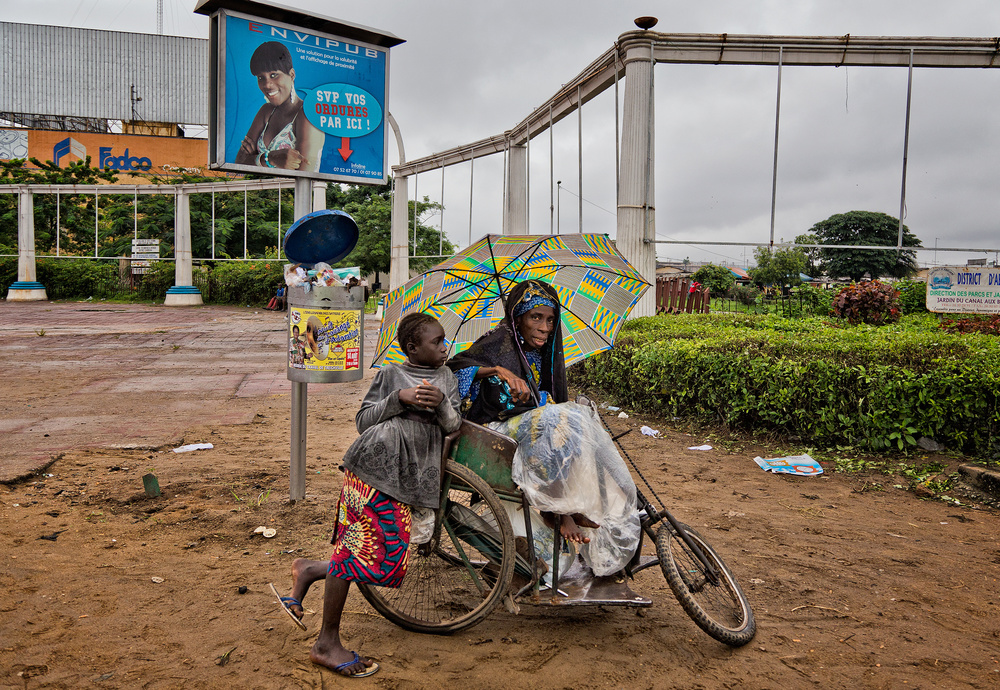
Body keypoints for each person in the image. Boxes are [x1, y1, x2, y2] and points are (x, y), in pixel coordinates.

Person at [270, 312, 461, 677]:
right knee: (358, 550)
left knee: (381, 555)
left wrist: (442, 403)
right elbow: (364, 420)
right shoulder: (391, 375)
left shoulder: (447, 378)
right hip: (373, 465)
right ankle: (326, 643)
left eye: (443, 341)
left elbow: (453, 426)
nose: (444, 347)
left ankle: (309, 571)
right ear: (412, 348)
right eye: (436, 342)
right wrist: (398, 398)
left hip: (411, 475)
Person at [447, 280, 640, 577]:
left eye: (550, 320)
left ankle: (575, 510)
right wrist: (498, 370)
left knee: (575, 419)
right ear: (518, 318)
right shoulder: (498, 342)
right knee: (553, 420)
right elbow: (455, 369)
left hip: (529, 427)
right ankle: (559, 511)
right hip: (490, 430)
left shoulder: (543, 352)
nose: (544, 327)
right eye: (535, 317)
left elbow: (547, 395)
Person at [235, 41, 325, 172]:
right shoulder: (266, 111)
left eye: (273, 75)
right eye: (261, 78)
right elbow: (239, 163)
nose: (267, 85)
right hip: (258, 190)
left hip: (293, 192)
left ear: (292, 75)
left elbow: (305, 173)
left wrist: (254, 159)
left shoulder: (308, 115)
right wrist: (271, 158)